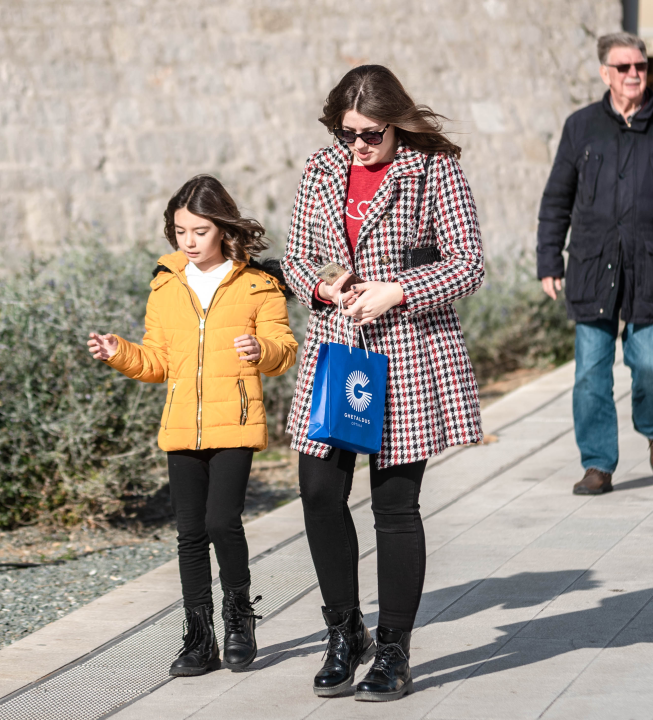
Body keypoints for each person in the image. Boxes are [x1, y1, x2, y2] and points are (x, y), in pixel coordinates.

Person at [281, 65, 484, 702]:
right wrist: (319, 285)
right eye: (349, 134)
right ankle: (345, 632)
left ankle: (394, 650)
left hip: (407, 351)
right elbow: (293, 256)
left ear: (396, 121)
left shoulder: (433, 170)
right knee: (318, 490)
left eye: (372, 133)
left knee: (395, 506)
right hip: (336, 349)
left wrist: (400, 290)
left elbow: (469, 262)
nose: (360, 146)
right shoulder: (321, 168)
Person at [88, 175, 298, 677]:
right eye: (180, 230)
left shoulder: (258, 284)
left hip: (236, 423)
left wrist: (260, 350)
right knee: (188, 533)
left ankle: (239, 620)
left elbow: (283, 349)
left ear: (223, 229)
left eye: (199, 230)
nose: (188, 240)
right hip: (182, 425)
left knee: (221, 522)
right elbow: (159, 361)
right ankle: (199, 638)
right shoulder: (165, 282)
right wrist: (122, 354)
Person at [537, 32, 653, 496]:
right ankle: (598, 464)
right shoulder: (580, 127)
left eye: (640, 66)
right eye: (623, 67)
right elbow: (557, 199)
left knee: (650, 363)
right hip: (593, 266)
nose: (634, 74)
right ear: (604, 73)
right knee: (590, 372)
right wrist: (548, 260)